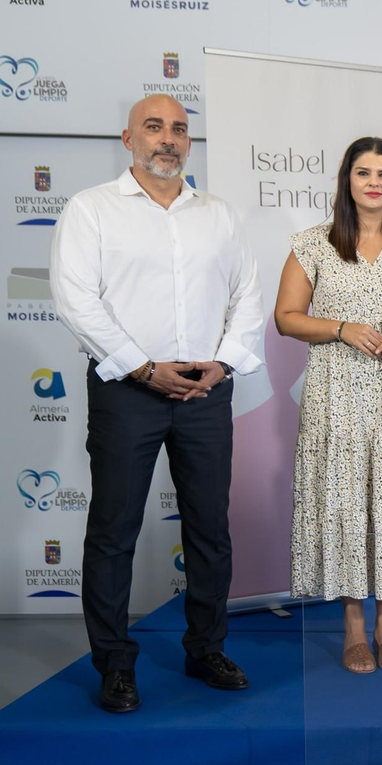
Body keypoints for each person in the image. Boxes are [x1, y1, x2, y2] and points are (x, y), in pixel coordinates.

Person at [49, 94, 264, 713]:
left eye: (178, 129)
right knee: (114, 530)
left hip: (205, 390)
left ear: (188, 142)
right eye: (153, 127)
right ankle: (115, 664)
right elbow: (76, 300)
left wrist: (223, 364)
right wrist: (144, 368)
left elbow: (247, 296)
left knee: (209, 528)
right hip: (126, 391)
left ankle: (207, 649)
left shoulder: (219, 215)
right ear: (128, 139)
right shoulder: (91, 209)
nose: (167, 138)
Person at [273, 136, 382, 674]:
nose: (374, 182)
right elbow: (286, 317)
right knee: (347, 502)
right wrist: (340, 328)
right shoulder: (313, 244)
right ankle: (353, 627)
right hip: (338, 396)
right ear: (346, 181)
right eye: (363, 172)